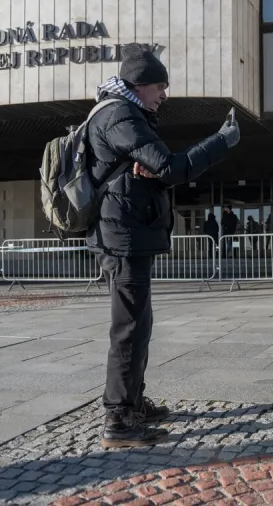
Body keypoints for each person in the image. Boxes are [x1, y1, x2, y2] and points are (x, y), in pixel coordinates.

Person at [86, 43, 241, 447]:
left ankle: (132, 401)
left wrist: (150, 172)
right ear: (139, 85)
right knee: (129, 327)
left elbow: (156, 169)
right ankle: (118, 419)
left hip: (130, 233)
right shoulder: (120, 115)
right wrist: (222, 141)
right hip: (123, 238)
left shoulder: (126, 113)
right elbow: (173, 167)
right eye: (160, 86)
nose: (164, 95)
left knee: (140, 323)